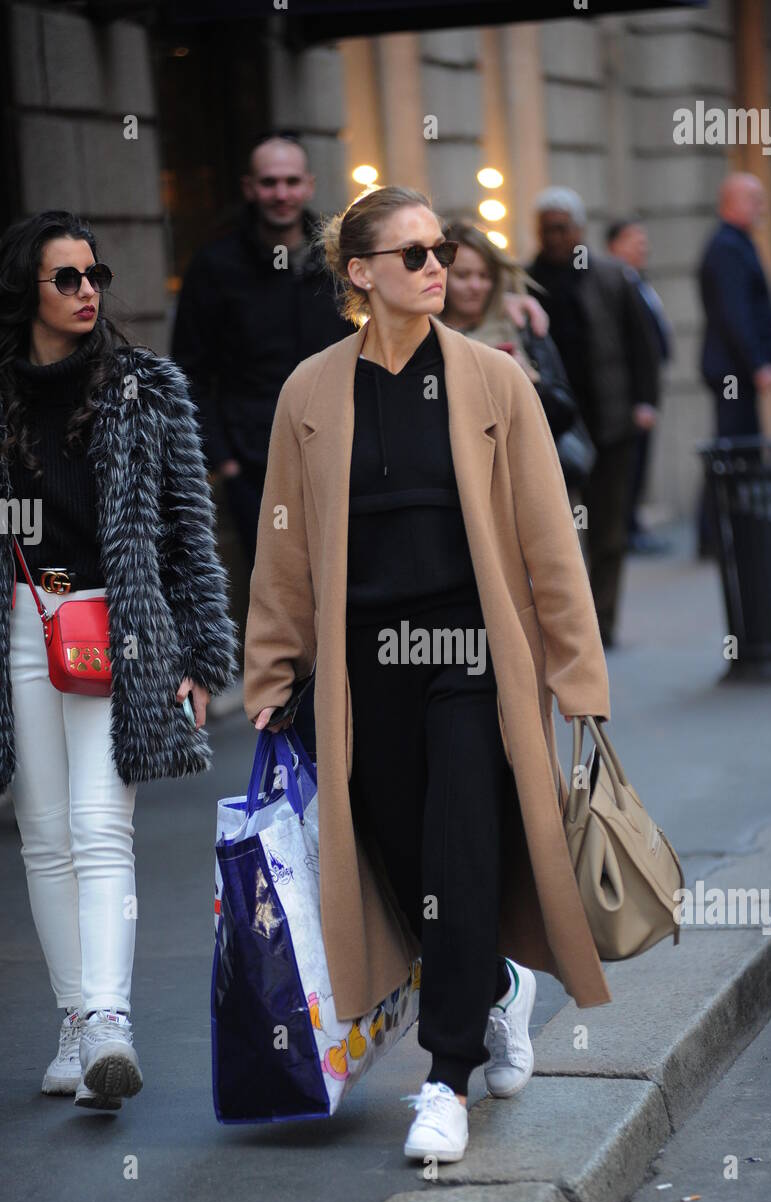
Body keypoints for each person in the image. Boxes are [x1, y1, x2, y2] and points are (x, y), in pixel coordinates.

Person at [243, 185, 612, 1164]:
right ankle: (494, 987)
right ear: (360, 275)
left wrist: (577, 677)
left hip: (470, 657)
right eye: (410, 255)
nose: (434, 266)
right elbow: (280, 548)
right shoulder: (310, 395)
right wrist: (271, 674)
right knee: (402, 866)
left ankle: (443, 1078)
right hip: (362, 675)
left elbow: (546, 542)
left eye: (438, 250)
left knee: (458, 849)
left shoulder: (493, 383)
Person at [172, 133, 549, 756]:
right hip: (262, 461)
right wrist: (226, 458)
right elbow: (280, 567)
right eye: (269, 182)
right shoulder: (219, 269)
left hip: (457, 625)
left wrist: (500, 296)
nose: (282, 193)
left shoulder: (473, 370)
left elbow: (547, 537)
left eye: (292, 181)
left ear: (309, 187)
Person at [0, 211, 237, 1111]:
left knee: (101, 827)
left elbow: (188, 530)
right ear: (29, 289)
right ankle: (72, 1023)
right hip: (24, 620)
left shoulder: (145, 388)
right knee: (44, 833)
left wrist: (202, 650)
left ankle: (109, 1020)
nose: (88, 289)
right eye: (66, 277)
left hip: (119, 622)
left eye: (94, 272)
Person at [526, 187, 660, 647]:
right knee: (557, 534)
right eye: (546, 228)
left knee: (607, 531)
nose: (554, 236)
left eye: (562, 228)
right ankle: (567, 625)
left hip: (609, 422)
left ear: (579, 230)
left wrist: (645, 402)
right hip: (551, 427)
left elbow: (643, 345)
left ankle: (602, 624)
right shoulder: (526, 283)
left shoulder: (609, 277)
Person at [697, 172, 771, 557]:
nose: (761, 208)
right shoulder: (727, 247)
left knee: (737, 450)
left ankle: (727, 529)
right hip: (732, 370)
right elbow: (736, 314)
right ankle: (716, 533)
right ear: (731, 202)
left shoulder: (736, 242)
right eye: (754, 199)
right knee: (731, 450)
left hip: (736, 368)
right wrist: (757, 363)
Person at [439, 218, 579, 442]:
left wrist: (531, 382)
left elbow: (563, 413)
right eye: (463, 275)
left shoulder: (520, 323)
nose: (475, 286)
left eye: (484, 276)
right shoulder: (426, 336)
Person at [606, 218, 674, 556]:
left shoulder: (638, 282)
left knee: (640, 462)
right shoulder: (615, 284)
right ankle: (627, 528)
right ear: (613, 246)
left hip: (645, 392)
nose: (641, 249)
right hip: (630, 398)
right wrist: (640, 399)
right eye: (633, 242)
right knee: (629, 467)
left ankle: (633, 524)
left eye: (644, 243)